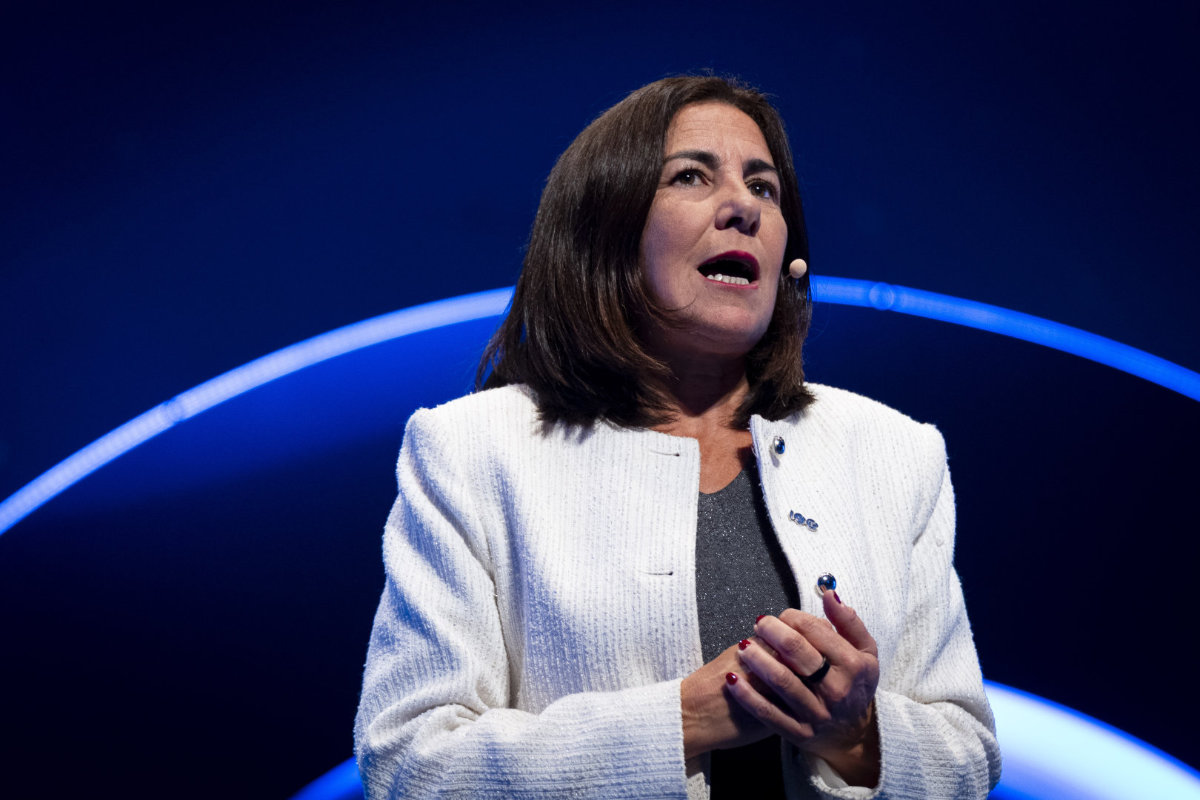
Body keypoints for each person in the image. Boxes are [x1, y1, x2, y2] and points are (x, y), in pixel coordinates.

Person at [355, 75, 1001, 799]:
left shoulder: (893, 453)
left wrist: (858, 738)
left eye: (764, 188)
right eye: (691, 176)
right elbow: (410, 765)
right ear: (607, 230)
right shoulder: (470, 452)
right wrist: (682, 721)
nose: (742, 207)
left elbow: (967, 754)